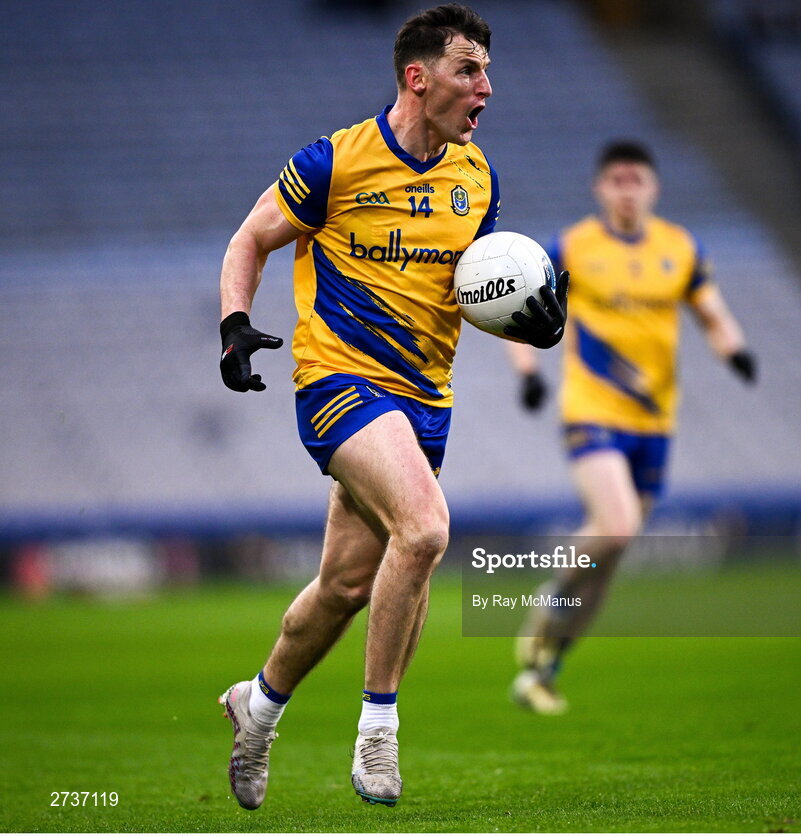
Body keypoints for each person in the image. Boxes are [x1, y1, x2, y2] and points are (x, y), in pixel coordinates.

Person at [216, 4, 567, 809]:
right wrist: (234, 325)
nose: (487, 86)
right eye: (470, 69)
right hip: (339, 383)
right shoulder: (334, 161)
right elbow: (250, 239)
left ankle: (257, 706)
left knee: (344, 587)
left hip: (424, 401)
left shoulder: (478, 177)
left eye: (486, 71)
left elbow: (482, 286)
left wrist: (535, 322)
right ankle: (378, 732)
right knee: (428, 527)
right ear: (420, 77)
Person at [507, 141, 755, 715]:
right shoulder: (571, 247)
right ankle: (552, 591)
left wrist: (734, 350)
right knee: (615, 528)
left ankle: (546, 667)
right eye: (616, 180)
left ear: (653, 187)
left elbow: (711, 312)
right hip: (592, 411)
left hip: (655, 421)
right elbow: (520, 310)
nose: (626, 189)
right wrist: (528, 374)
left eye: (635, 179)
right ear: (600, 189)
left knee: (610, 556)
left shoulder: (680, 247)